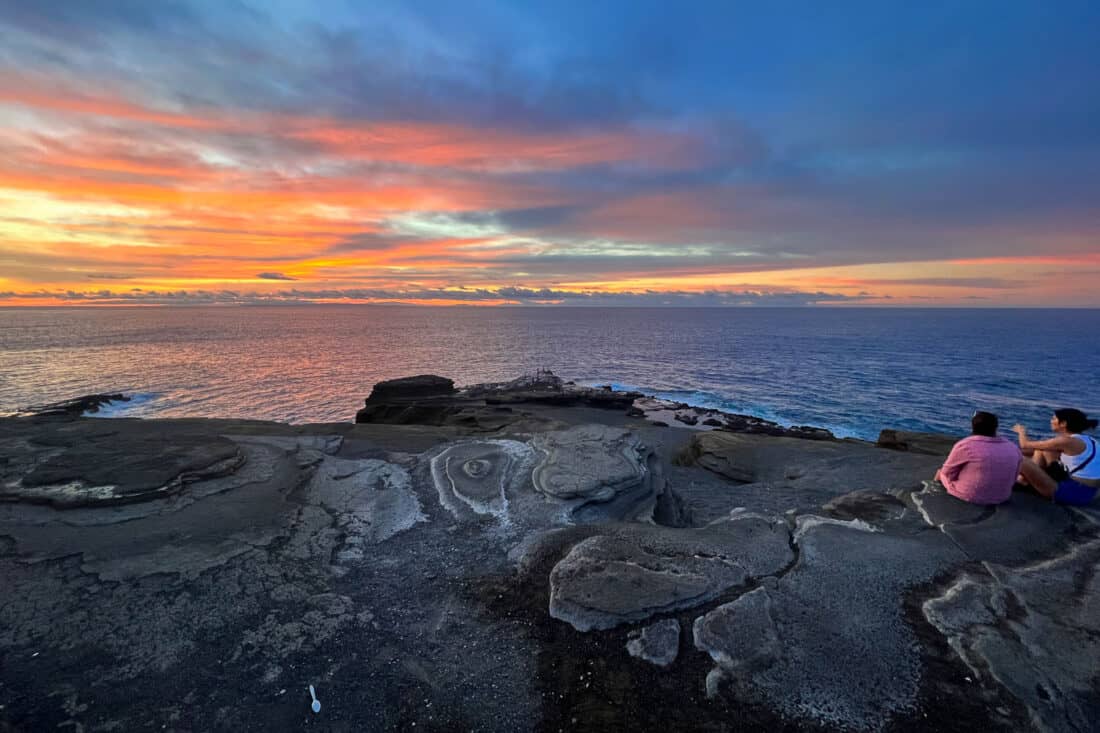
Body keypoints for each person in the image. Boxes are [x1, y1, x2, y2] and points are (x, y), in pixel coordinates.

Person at [935, 411, 1026, 505]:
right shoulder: (1013, 447)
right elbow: (1015, 476)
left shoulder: (965, 445)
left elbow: (947, 472)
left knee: (941, 473)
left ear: (973, 426)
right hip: (1002, 497)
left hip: (969, 494)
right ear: (995, 427)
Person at [1012, 408, 1100, 505]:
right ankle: (1027, 480)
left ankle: (1023, 481)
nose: (1051, 421)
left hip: (1071, 493)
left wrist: (1021, 431)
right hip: (1089, 493)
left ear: (1063, 423)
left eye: (1054, 419)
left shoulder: (1066, 441)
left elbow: (1025, 444)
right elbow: (1032, 449)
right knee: (1042, 450)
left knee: (1021, 460)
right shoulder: (1089, 440)